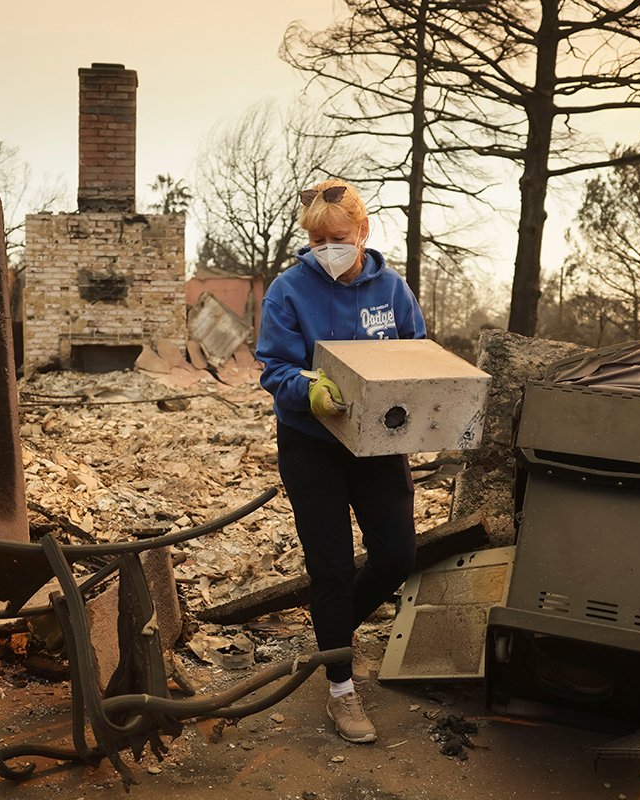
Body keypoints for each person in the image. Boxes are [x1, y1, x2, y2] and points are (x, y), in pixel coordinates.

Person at [255, 178, 426, 744]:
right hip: (313, 446)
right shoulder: (287, 291)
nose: (329, 248)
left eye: (340, 237)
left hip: (377, 446)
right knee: (329, 568)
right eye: (320, 239)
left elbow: (416, 352)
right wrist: (308, 390)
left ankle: (332, 632)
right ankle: (340, 690)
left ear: (363, 232)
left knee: (396, 556)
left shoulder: (392, 289)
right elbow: (273, 368)